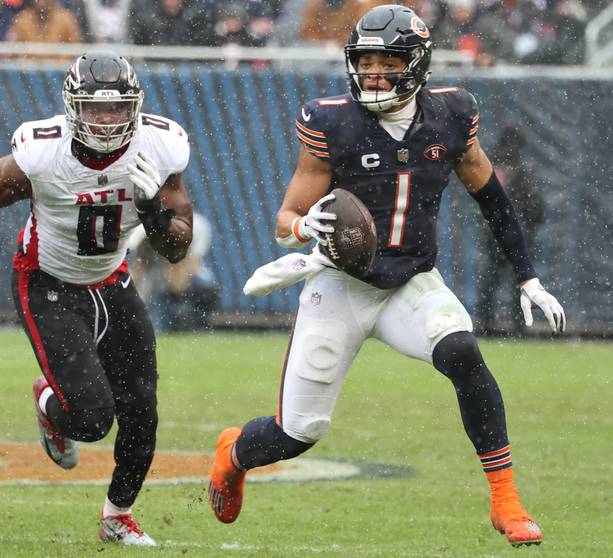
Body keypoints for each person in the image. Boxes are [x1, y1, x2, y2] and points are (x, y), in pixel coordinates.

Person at [207, 4, 565, 548]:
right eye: (365, 61)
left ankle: (507, 500)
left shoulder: (450, 116)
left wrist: (527, 277)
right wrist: (307, 225)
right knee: (297, 433)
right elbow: (284, 224)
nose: (373, 74)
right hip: (339, 285)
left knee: (464, 352)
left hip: (410, 283)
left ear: (418, 65)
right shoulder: (333, 122)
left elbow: (491, 197)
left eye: (387, 61)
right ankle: (232, 455)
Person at [0, 50, 193, 546]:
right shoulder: (43, 152)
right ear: (71, 107)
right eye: (94, 109)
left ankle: (117, 516)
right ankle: (46, 400)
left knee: (142, 408)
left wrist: (153, 212)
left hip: (112, 279)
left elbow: (176, 246)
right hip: (48, 283)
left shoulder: (160, 147)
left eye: (117, 109)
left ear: (135, 107)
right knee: (92, 418)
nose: (106, 120)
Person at [477, 126, 545, 334]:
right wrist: (528, 229)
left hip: (494, 233)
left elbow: (480, 200)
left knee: (493, 279)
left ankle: (486, 324)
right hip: (517, 235)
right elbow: (536, 206)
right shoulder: (523, 169)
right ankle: (520, 325)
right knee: (521, 280)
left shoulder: (490, 166)